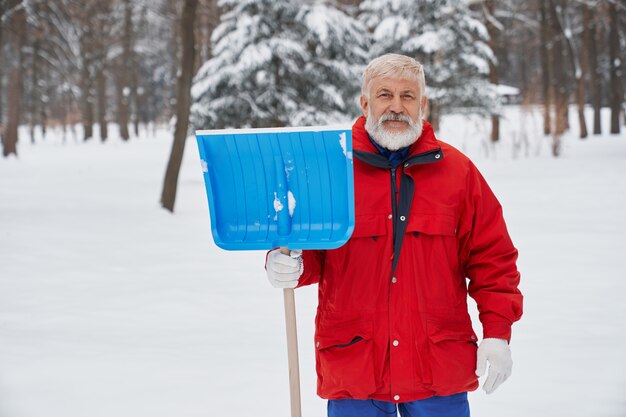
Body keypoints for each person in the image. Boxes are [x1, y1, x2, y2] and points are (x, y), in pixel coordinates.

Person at [265, 53, 523, 417]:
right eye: (385, 95)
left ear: (423, 104)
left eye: (408, 96)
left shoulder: (458, 173)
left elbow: (493, 260)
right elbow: (311, 253)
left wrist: (497, 333)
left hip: (437, 369)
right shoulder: (332, 173)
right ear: (365, 102)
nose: (397, 107)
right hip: (356, 369)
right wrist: (287, 262)